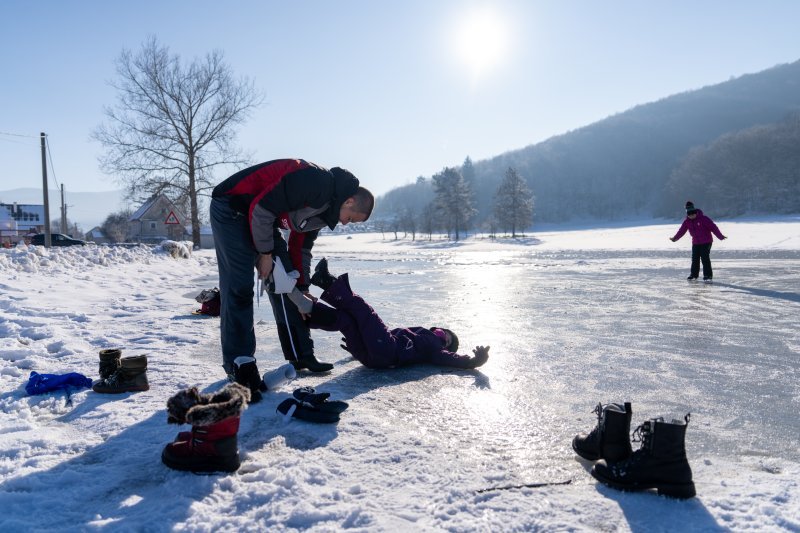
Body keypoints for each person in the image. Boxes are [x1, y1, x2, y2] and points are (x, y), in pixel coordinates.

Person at [210, 159, 374, 392]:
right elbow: (262, 208)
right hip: (232, 207)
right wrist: (264, 253)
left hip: (261, 219)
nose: (344, 223)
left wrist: (303, 287)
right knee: (239, 288)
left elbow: (300, 248)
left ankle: (301, 355)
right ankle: (239, 364)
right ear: (349, 201)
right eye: (350, 218)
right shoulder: (315, 181)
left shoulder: (325, 211)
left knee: (287, 281)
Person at [283, 258, 490, 370]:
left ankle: (326, 281)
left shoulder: (434, 348)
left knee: (364, 310)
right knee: (347, 321)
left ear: (444, 345)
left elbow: (450, 359)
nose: (441, 333)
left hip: (388, 350)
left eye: (446, 338)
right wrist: (356, 352)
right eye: (443, 331)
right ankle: (309, 310)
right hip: (372, 357)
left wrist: (473, 361)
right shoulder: (422, 338)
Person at [670, 201, 726, 282]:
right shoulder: (687, 221)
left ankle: (708, 275)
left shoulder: (704, 219)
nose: (691, 216)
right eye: (689, 214)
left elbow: (713, 227)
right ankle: (694, 275)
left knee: (705, 258)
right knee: (695, 259)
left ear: (696, 212)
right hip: (696, 242)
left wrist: (720, 236)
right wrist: (675, 238)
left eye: (693, 214)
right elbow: (681, 231)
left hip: (706, 241)